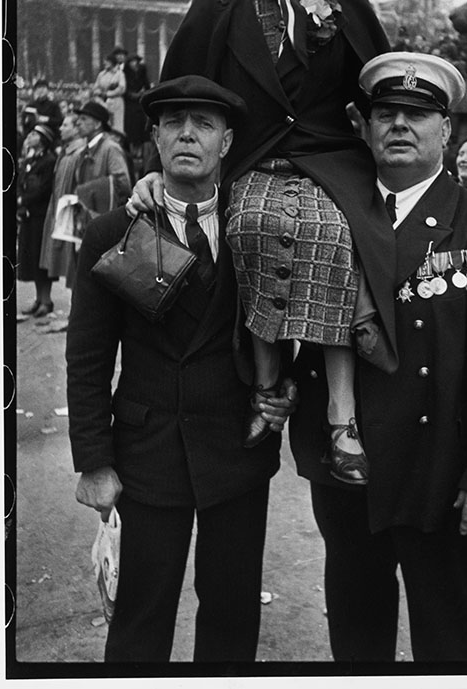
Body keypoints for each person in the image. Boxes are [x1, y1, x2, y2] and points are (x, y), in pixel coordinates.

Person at [132, 0, 396, 485]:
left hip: (332, 156)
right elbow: (180, 91)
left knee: (336, 234)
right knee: (247, 227)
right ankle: (268, 390)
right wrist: (157, 170)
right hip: (251, 157)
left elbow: (381, 86)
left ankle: (342, 417)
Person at [288, 51, 467, 662]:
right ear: (365, 125)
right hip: (348, 469)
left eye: (418, 114)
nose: (400, 124)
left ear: (446, 130)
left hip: (440, 473)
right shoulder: (329, 210)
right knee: (355, 632)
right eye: (387, 112)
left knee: (443, 634)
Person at [66, 76, 297, 663]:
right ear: (156, 138)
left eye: (204, 124)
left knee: (231, 613)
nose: (187, 134)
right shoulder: (113, 232)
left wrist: (284, 385)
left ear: (227, 142)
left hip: (235, 451)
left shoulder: (261, 227)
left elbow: (292, 318)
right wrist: (94, 462)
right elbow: (88, 358)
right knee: (142, 618)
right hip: (148, 452)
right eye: (174, 123)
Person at [39, 111, 86, 295]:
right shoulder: (65, 152)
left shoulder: (79, 153)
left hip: (71, 214)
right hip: (58, 210)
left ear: (76, 129)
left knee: (74, 265)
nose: (61, 128)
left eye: (65, 125)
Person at [17, 124, 58, 318]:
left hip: (41, 216)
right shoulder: (30, 159)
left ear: (42, 139)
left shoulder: (49, 161)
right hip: (28, 214)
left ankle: (46, 300)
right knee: (31, 258)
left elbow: (43, 188)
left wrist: (23, 200)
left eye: (34, 134)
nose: (30, 137)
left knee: (41, 259)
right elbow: (20, 182)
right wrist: (20, 201)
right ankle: (38, 298)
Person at [73, 100, 133, 225]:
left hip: (104, 222)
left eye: (83, 119)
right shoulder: (82, 152)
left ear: (97, 124)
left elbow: (123, 185)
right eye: (78, 119)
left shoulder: (111, 148)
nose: (78, 123)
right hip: (86, 221)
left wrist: (89, 190)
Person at [123, 52, 151, 170]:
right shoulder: (125, 74)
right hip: (130, 105)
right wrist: (134, 95)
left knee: (140, 129)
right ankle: (133, 151)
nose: (134, 64)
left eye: (136, 61)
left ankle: (139, 152)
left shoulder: (142, 72)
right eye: (132, 61)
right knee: (131, 129)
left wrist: (142, 94)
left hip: (140, 105)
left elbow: (147, 86)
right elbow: (125, 91)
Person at [92, 53, 127, 133]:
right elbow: (95, 88)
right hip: (102, 103)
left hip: (116, 102)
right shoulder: (101, 75)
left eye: (107, 61)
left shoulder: (119, 74)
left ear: (112, 62)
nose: (105, 63)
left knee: (117, 125)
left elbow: (122, 88)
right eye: (104, 62)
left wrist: (108, 94)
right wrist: (99, 94)